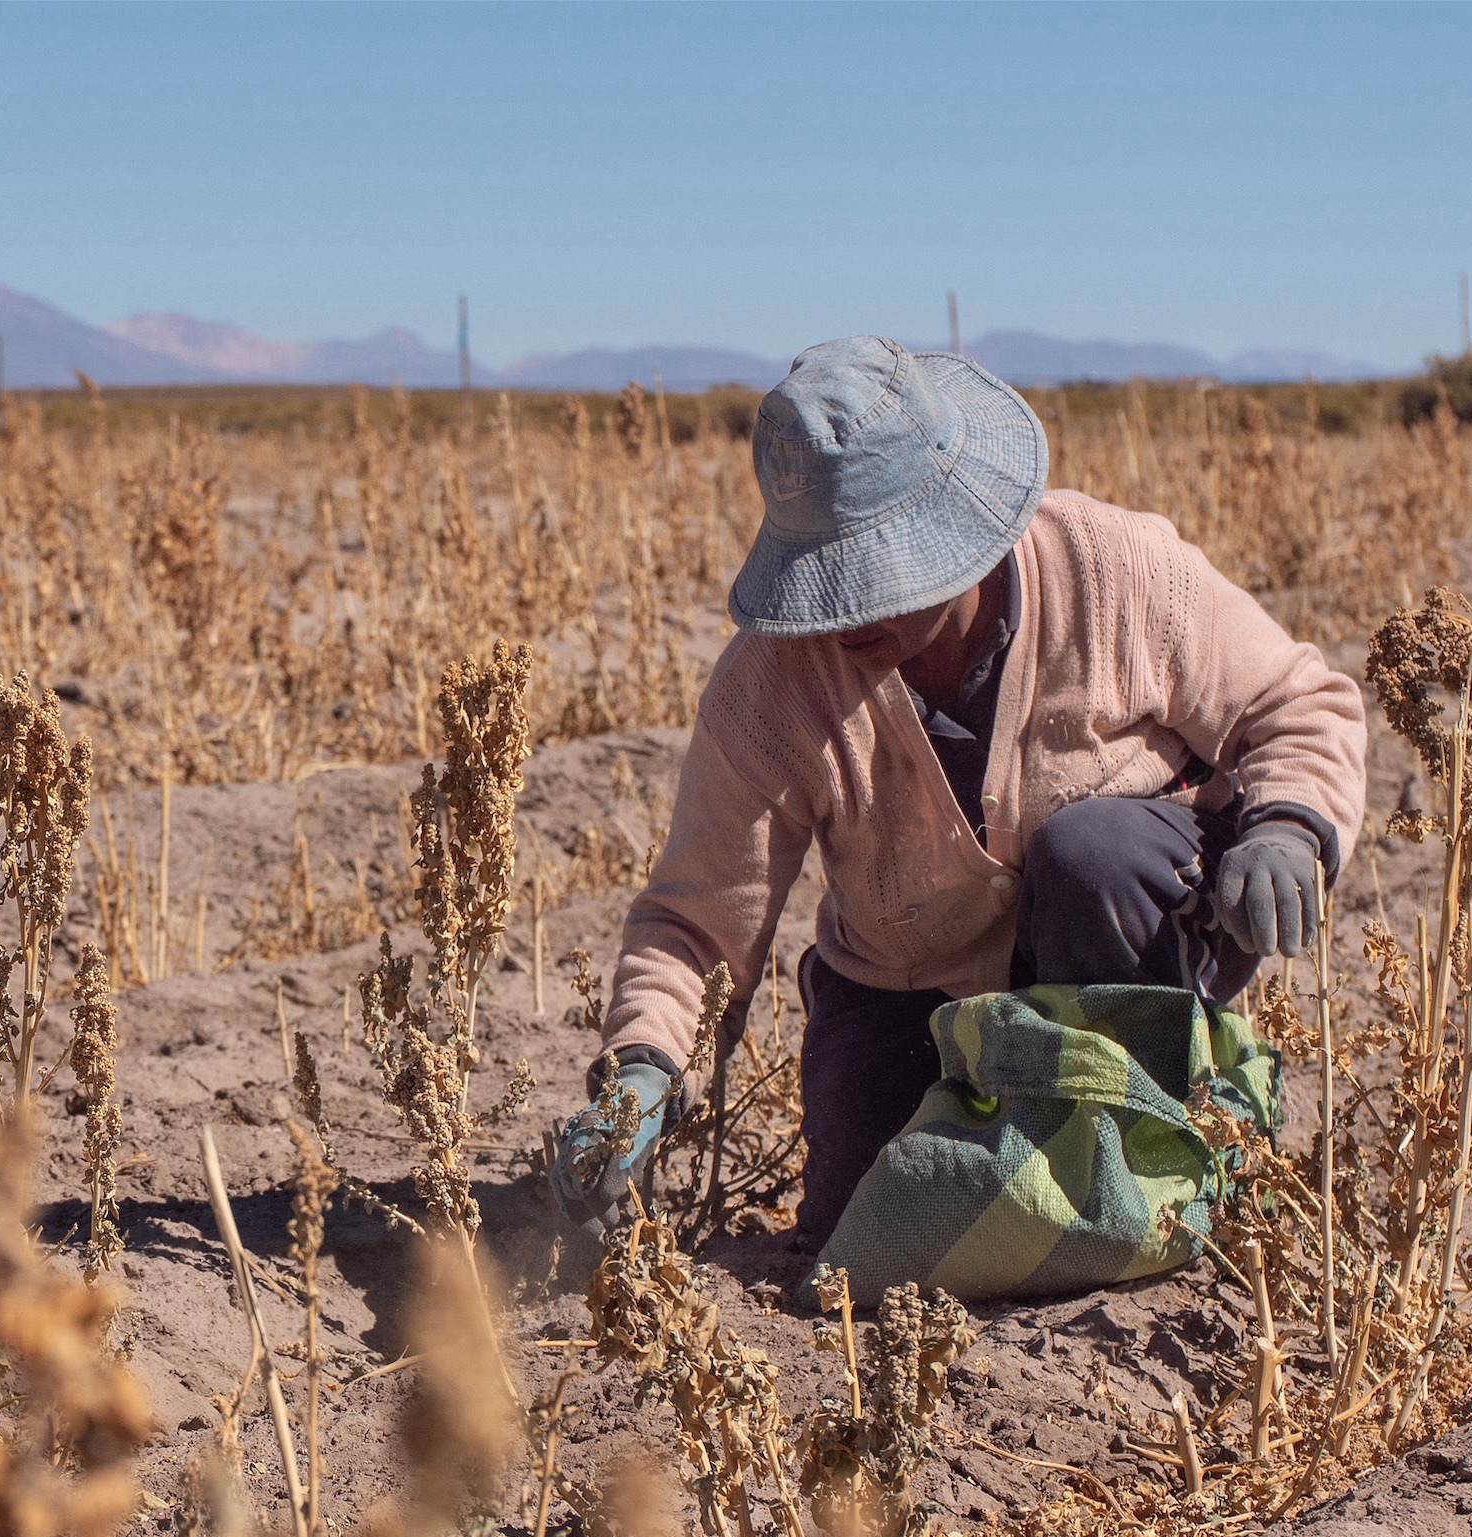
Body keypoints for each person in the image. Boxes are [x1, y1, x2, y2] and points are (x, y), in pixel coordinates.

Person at [549, 336, 1367, 1247]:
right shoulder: (768, 691)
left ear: (963, 530)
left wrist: (1289, 823)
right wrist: (643, 1069)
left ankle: (1166, 1136)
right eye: (828, 578)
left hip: (1123, 929)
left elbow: (1300, 701)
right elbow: (698, 920)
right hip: (913, 981)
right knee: (860, 1236)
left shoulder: (1118, 570)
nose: (847, 613)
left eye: (874, 573)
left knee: (1088, 855)